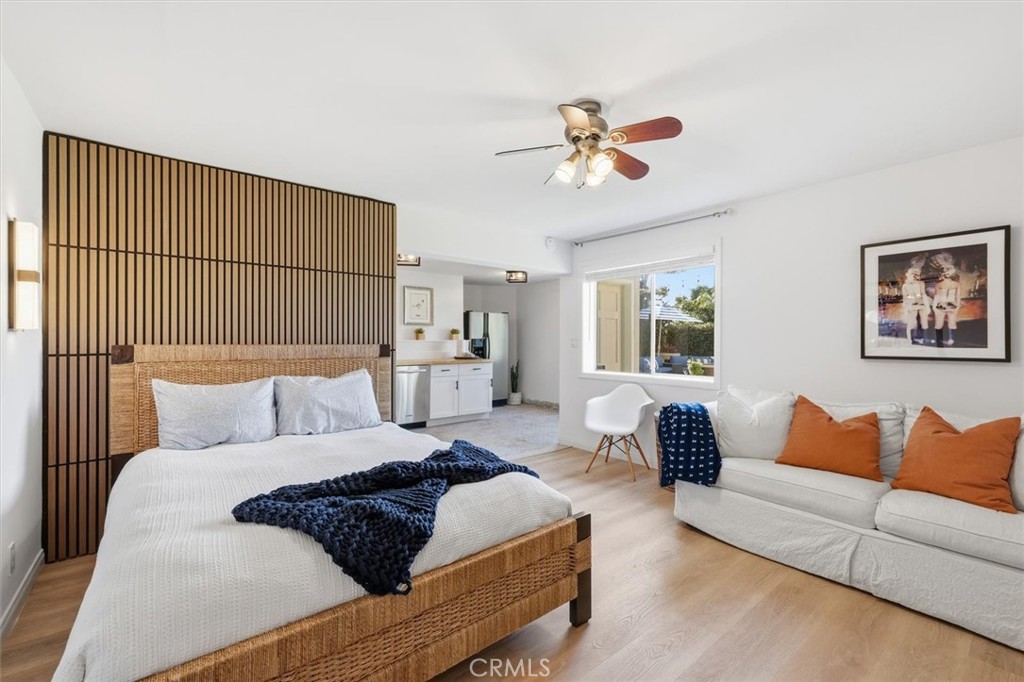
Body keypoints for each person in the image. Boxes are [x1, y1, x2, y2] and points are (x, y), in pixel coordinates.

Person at [932, 253, 961, 346]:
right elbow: (958, 297)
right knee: (952, 323)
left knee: (938, 324)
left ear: (943, 274)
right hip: (952, 304)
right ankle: (951, 339)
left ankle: (939, 340)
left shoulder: (938, 284)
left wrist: (934, 308)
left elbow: (936, 297)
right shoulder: (956, 284)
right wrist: (957, 306)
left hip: (941, 304)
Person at [902, 264, 930, 344]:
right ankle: (910, 339)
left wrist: (926, 305)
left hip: (920, 304)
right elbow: (905, 297)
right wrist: (912, 299)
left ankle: (925, 338)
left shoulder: (919, 284)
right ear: (907, 275)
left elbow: (921, 294)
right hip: (912, 305)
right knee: (911, 321)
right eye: (912, 274)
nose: (914, 276)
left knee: (924, 320)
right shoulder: (905, 285)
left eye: (915, 274)